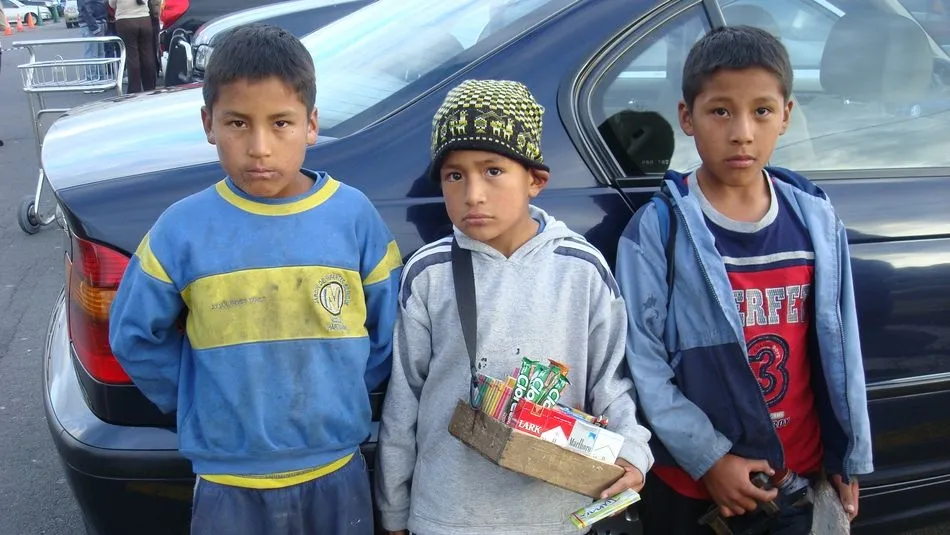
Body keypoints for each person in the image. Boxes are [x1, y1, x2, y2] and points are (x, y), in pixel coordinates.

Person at [108, 25, 402, 535]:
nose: (260, 147)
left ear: (311, 124)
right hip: (227, 479)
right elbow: (133, 335)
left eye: (281, 123)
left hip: (335, 468)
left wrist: (345, 387)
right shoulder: (182, 228)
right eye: (238, 123)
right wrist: (200, 398)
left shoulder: (353, 217)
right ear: (208, 124)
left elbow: (389, 326)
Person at [615, 25, 873, 535]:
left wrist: (848, 456)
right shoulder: (660, 229)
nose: (742, 132)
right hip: (696, 488)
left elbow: (844, 351)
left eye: (761, 111)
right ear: (687, 117)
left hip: (794, 476)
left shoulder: (815, 220)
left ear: (786, 116)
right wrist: (709, 460)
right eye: (720, 111)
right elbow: (641, 364)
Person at [376, 79, 654, 535]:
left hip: (557, 518)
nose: (473, 194)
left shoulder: (581, 269)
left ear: (535, 181)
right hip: (446, 516)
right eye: (454, 175)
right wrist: (394, 512)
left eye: (493, 171)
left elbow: (613, 383)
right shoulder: (429, 273)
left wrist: (633, 456)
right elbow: (403, 402)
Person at [109, 0, 156, 92]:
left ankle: (134, 89)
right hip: (145, 19)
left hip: (125, 20)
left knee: (132, 56)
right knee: (147, 55)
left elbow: (112, 4)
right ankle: (150, 86)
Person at [77, 0, 107, 80]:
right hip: (97, 22)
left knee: (93, 54)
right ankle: (99, 79)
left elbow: (84, 8)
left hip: (91, 24)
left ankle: (93, 80)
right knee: (98, 54)